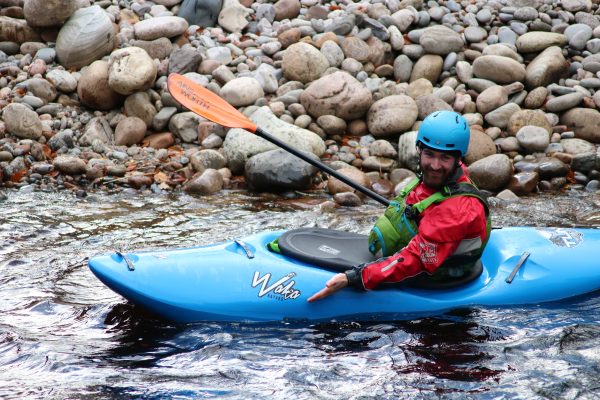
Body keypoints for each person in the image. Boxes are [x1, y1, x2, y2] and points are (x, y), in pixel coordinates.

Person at [307, 110, 491, 302]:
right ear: (419, 150)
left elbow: (417, 259)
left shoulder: (459, 208)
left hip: (436, 274)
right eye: (429, 154)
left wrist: (356, 277)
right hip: (426, 249)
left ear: (458, 158)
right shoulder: (442, 179)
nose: (435, 166)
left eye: (445, 158)